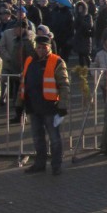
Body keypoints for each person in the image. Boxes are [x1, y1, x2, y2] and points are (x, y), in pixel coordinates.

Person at [16, 25, 70, 175]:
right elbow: (23, 84)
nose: (41, 50)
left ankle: (56, 165)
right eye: (38, 47)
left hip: (50, 106)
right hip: (33, 105)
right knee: (37, 137)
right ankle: (40, 163)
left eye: (43, 47)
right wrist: (19, 105)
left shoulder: (57, 61)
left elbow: (64, 85)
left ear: (49, 47)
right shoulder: (29, 61)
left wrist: (63, 105)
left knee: (54, 138)